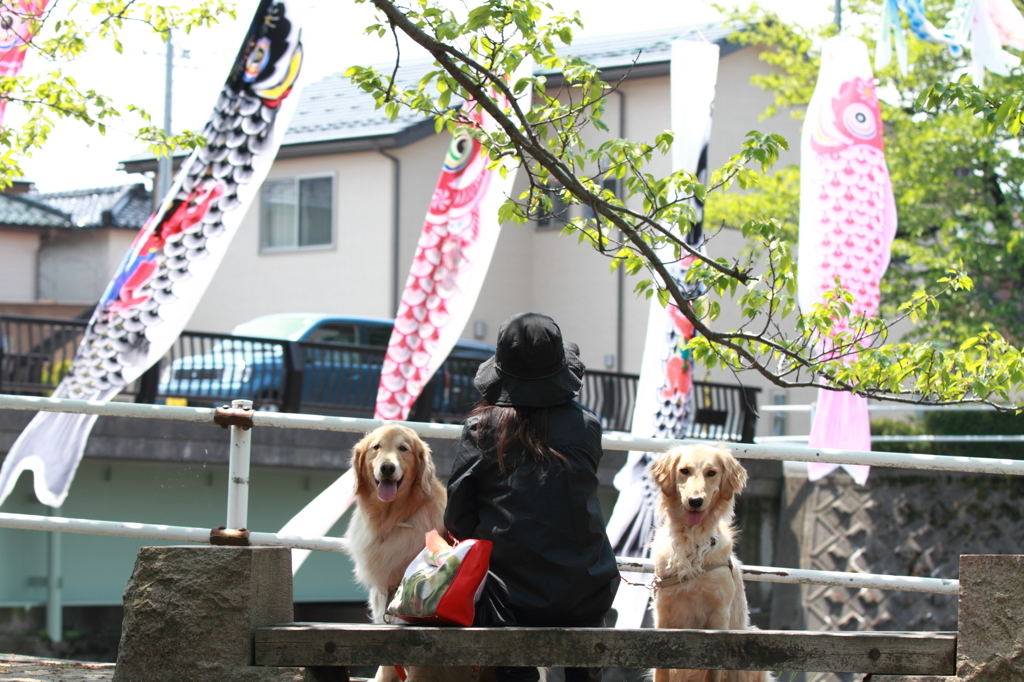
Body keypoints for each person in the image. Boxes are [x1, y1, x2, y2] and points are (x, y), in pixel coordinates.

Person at [445, 312, 620, 682]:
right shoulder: (587, 427)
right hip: (585, 593)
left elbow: (457, 519)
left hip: (507, 602)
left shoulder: (482, 427)